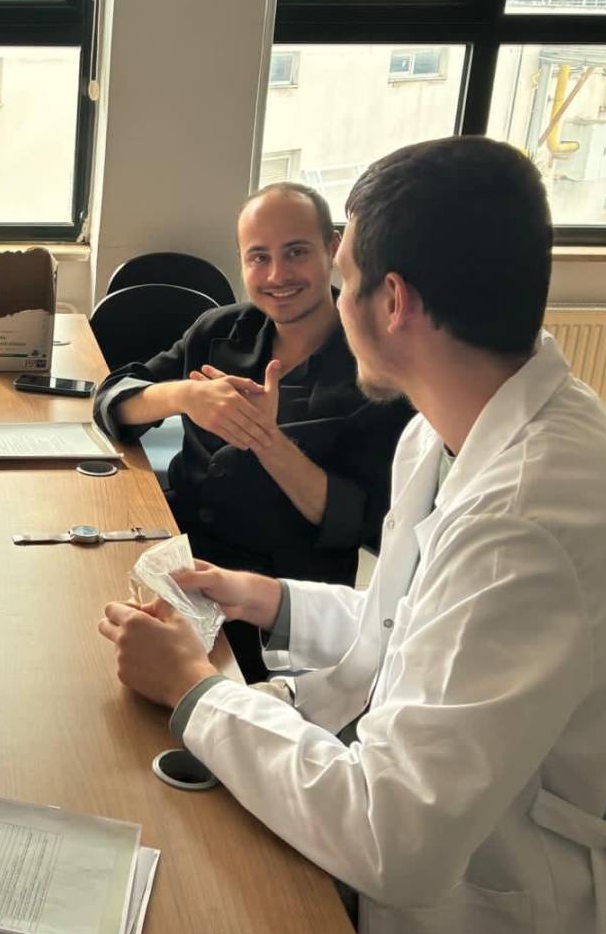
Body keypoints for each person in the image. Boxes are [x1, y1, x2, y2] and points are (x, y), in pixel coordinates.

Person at [99, 137, 606, 934]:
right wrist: (265, 596)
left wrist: (195, 691)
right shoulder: (444, 434)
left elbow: (393, 835)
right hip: (398, 862)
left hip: (477, 925)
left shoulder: (527, 518)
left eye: (340, 276)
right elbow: (409, 627)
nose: (326, 299)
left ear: (393, 300)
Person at [94, 183, 413, 681]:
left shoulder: (377, 369)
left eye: (296, 252)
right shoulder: (219, 330)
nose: (277, 275)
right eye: (259, 257)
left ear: (332, 249)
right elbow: (114, 397)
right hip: (177, 561)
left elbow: (367, 525)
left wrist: (267, 442)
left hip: (278, 611)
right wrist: (183, 396)